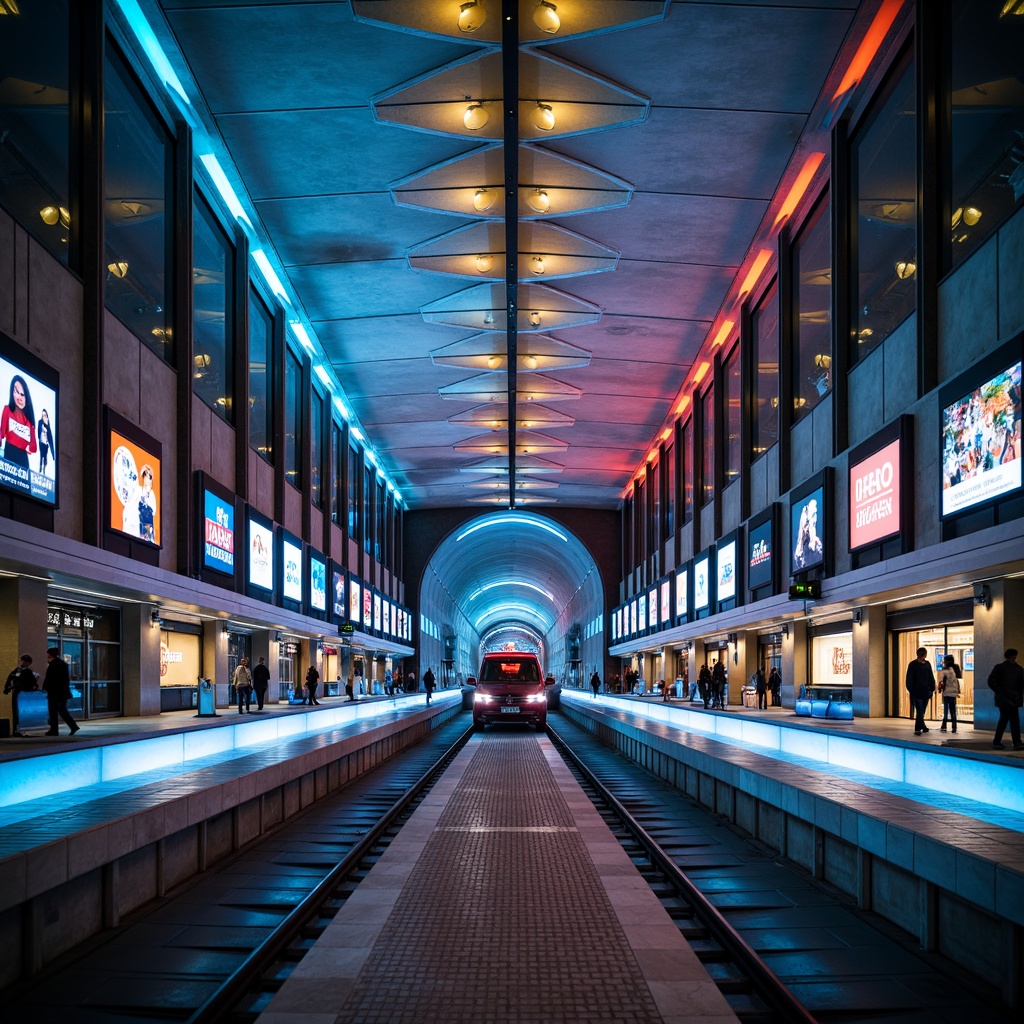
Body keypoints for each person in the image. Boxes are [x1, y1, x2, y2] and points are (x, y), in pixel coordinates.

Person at [988, 648, 1024, 750]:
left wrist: (999, 692)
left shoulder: (1000, 668)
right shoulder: (1019, 669)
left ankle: (998, 741)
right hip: (1013, 698)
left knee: (1004, 720)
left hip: (1004, 698)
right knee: (1013, 721)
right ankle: (1016, 742)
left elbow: (991, 681)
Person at [1, 374, 37, 469]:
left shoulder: (29, 423)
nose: (19, 397)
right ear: (12, 393)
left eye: (22, 394)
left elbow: (33, 448)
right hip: (9, 457)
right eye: (16, 392)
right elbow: (1, 434)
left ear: (26, 397)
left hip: (23, 462)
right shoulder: (7, 410)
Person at [43, 647, 78, 736]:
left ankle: (57, 729)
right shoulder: (61, 664)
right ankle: (69, 726)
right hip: (60, 692)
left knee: (56, 711)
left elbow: (51, 679)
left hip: (55, 692)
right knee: (59, 710)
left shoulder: (54, 665)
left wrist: (46, 688)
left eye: (48, 654)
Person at [4, 653, 39, 737]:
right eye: (21, 661)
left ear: (28, 663)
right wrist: (7, 688)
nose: (21, 663)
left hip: (22, 694)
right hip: (18, 693)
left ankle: (19, 730)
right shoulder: (18, 670)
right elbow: (10, 678)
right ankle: (16, 730)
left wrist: (8, 688)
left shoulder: (26, 672)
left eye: (24, 661)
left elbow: (32, 683)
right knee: (17, 712)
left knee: (20, 712)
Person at [905, 647, 935, 736]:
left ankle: (922, 727)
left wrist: (932, 689)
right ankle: (918, 728)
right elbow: (909, 679)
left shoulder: (927, 664)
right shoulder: (913, 665)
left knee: (921, 711)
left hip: (925, 692)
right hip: (917, 692)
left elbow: (931, 677)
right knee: (920, 710)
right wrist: (911, 690)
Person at [137, 464, 156, 542]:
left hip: (148, 522)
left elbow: (154, 510)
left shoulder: (151, 493)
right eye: (145, 475)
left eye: (149, 476)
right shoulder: (139, 490)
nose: (147, 478)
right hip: (140, 519)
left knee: (148, 539)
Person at [36, 408, 54, 476]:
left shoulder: (48, 425)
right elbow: (38, 432)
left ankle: (44, 470)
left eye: (45, 415)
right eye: (43, 415)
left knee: (45, 457)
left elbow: (50, 437)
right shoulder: (40, 422)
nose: (44, 416)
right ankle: (40, 469)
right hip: (41, 442)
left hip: (46, 444)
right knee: (41, 456)